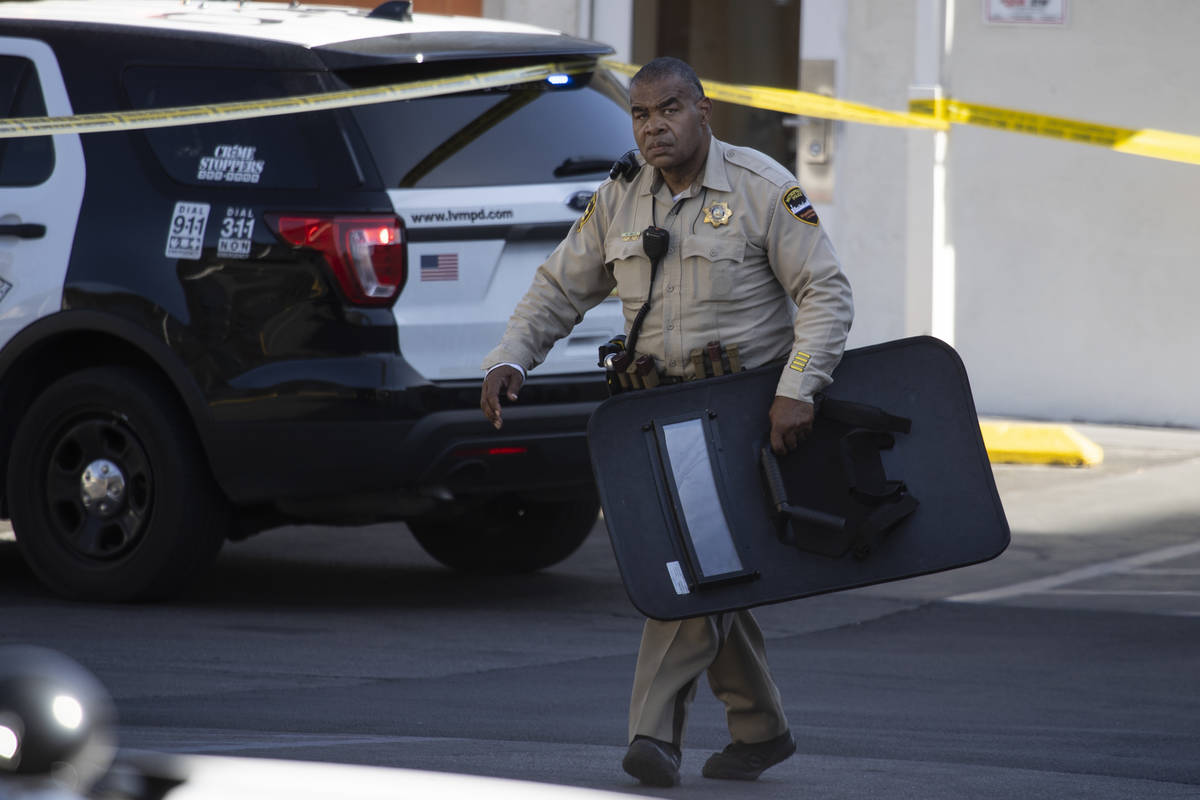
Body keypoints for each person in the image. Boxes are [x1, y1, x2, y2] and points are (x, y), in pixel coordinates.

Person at [480, 56, 853, 787]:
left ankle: (653, 734)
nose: (654, 126)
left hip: (744, 416)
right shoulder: (619, 198)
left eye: (670, 109)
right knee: (713, 572)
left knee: (690, 574)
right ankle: (761, 727)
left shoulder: (759, 188)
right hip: (657, 419)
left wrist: (798, 389)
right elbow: (559, 287)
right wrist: (511, 358)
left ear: (703, 110)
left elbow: (826, 293)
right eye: (641, 114)